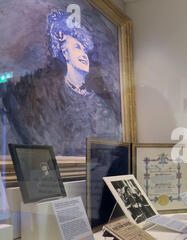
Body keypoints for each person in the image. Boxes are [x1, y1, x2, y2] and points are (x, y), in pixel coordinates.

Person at [0, 10, 121, 156]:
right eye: (76, 47)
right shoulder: (52, 97)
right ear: (64, 52)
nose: (83, 54)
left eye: (83, 49)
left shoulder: (98, 102)